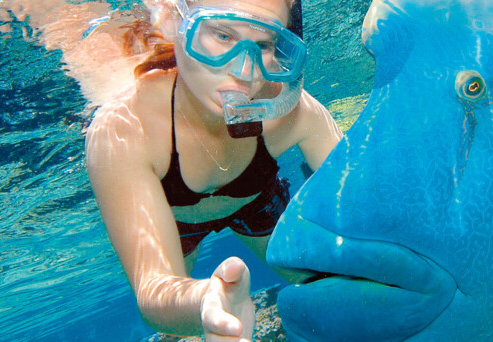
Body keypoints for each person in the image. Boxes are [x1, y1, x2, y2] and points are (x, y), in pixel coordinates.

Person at [82, 0, 342, 340]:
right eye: (222, 34)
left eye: (263, 44)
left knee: (322, 281)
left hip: (255, 200)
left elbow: (362, 206)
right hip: (178, 226)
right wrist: (206, 302)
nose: (244, 71)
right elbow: (155, 291)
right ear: (175, 22)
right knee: (178, 324)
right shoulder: (127, 128)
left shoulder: (292, 110)